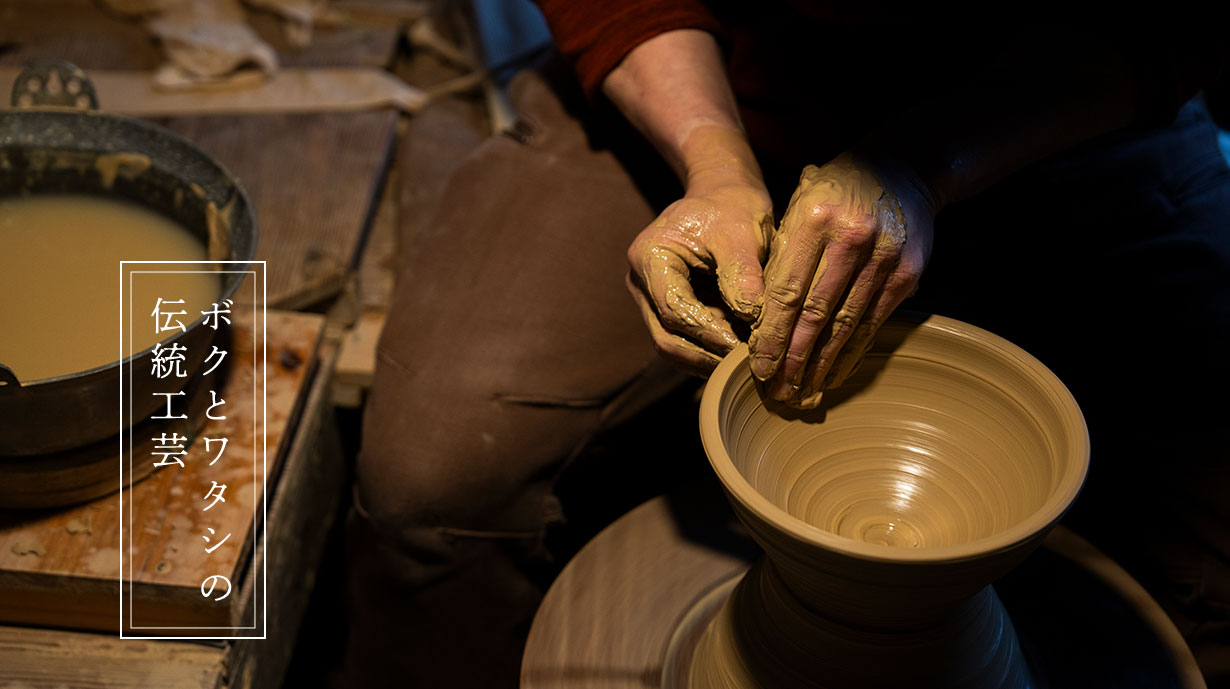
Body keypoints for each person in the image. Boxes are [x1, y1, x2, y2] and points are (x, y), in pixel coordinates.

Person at [344, 3, 1230, 686]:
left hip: (1072, 109)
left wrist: (922, 167)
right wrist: (714, 161)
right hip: (722, 78)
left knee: (1210, 558)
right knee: (435, 475)